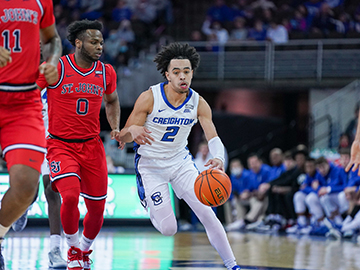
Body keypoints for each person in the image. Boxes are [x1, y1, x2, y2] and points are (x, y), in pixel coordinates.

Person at [117, 42, 240, 270]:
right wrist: (131, 132)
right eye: (176, 72)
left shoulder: (198, 102)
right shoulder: (149, 97)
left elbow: (213, 136)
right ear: (167, 75)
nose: (182, 76)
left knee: (208, 214)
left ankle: (233, 265)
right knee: (169, 229)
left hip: (181, 163)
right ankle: (149, 203)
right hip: (151, 166)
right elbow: (121, 137)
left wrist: (219, 158)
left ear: (192, 73)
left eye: (186, 71)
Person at [37, 19, 121, 270]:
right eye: (94, 42)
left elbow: (112, 101)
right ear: (78, 43)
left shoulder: (106, 72)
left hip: (93, 147)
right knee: (70, 196)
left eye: (101, 42)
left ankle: (83, 250)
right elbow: (29, 93)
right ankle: (72, 248)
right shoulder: (57, 68)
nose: (100, 47)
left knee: (97, 210)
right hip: (60, 145)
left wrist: (115, 127)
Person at [0, 0, 62, 269]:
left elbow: (52, 38)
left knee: (27, 186)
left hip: (24, 101)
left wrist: (52, 61)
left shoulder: (40, 2)